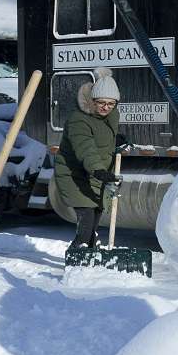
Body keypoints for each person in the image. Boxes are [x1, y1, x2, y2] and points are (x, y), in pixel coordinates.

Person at [54, 67, 122, 249]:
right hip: (74, 175)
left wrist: (117, 139)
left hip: (96, 175)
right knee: (86, 222)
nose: (106, 108)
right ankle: (76, 261)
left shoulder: (112, 115)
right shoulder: (79, 119)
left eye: (111, 104)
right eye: (101, 103)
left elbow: (102, 138)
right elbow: (85, 147)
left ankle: (90, 262)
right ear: (92, 100)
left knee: (94, 223)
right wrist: (98, 170)